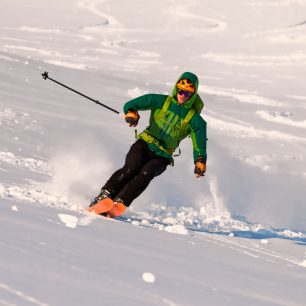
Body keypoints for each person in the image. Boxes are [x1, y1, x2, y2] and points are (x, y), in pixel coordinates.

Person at [87, 72, 207, 217]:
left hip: (163, 155)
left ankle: (120, 202)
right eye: (180, 91)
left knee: (146, 173)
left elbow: (199, 142)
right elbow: (131, 105)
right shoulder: (161, 101)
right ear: (176, 89)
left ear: (193, 95)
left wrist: (200, 160)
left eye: (187, 93)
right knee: (131, 168)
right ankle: (104, 197)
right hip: (144, 143)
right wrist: (131, 113)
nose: (182, 95)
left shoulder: (195, 120)